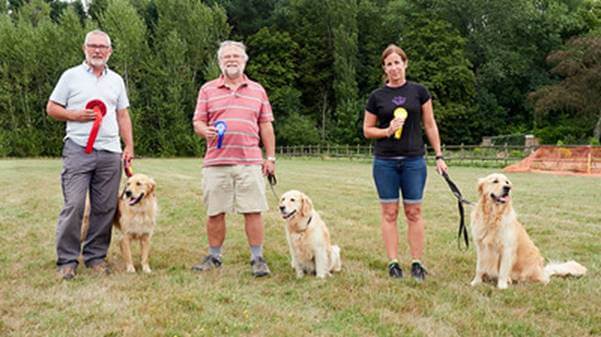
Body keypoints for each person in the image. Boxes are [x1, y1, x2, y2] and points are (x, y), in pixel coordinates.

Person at [47, 30, 134, 280]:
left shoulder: (116, 80)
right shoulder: (70, 76)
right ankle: (67, 260)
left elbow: (122, 115)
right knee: (74, 205)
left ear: (110, 51)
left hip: (110, 152)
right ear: (84, 48)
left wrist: (129, 146)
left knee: (105, 207)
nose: (97, 50)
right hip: (77, 149)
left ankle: (95, 257)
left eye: (102, 47)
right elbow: (52, 108)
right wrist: (73, 115)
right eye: (93, 46)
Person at [363, 44, 448, 282]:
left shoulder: (419, 92)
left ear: (405, 64)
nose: (394, 68)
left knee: (414, 212)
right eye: (389, 64)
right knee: (389, 213)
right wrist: (386, 130)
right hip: (385, 162)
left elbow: (430, 125)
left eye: (397, 63)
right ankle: (393, 263)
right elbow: (367, 130)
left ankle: (417, 263)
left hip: (414, 161)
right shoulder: (376, 96)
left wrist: (439, 155)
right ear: (384, 68)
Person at [192, 40, 275, 277]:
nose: (231, 60)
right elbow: (197, 120)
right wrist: (203, 130)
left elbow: (266, 125)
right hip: (216, 162)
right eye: (226, 57)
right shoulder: (207, 89)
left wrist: (270, 157)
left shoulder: (258, 90)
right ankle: (214, 256)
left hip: (250, 161)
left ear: (244, 61)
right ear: (219, 62)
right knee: (215, 212)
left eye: (236, 56)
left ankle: (257, 258)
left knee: (253, 210)